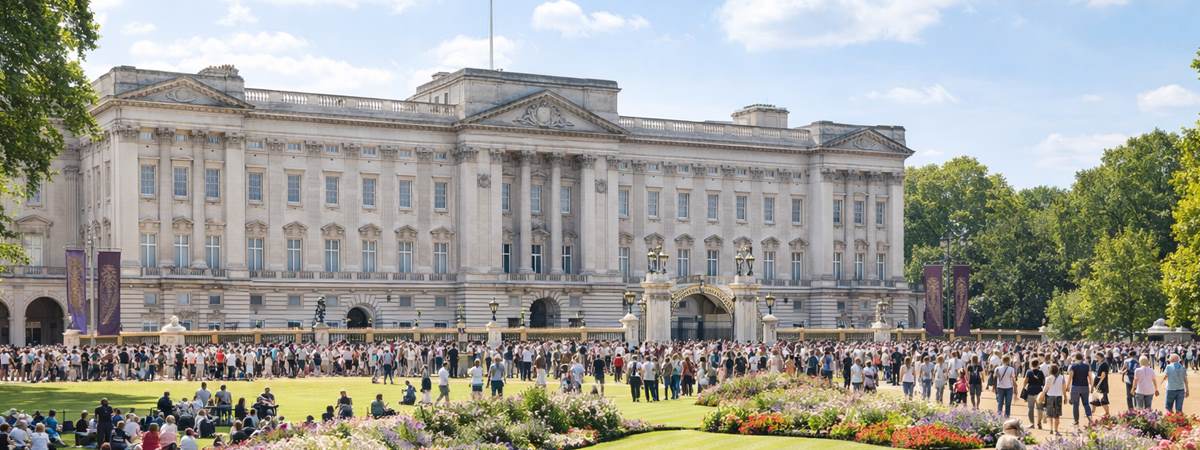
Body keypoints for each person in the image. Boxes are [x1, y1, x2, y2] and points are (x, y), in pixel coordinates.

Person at [1067, 353, 1093, 427]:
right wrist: (1092, 386)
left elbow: (1070, 377)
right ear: (1082, 358)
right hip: (1085, 387)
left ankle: (1076, 421)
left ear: (1076, 358)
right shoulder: (1087, 366)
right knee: (1086, 404)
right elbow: (1090, 377)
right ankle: (1090, 419)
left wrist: (1068, 386)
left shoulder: (1073, 366)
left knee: (1076, 405)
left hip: (1075, 387)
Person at [1043, 364, 1066, 436]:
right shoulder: (1062, 377)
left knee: (1050, 414)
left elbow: (1045, 388)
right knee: (1057, 415)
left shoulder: (1048, 378)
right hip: (1058, 396)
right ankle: (1056, 430)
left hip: (1050, 396)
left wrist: (1042, 395)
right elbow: (1064, 388)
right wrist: (1065, 396)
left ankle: (1051, 429)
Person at [1022, 359, 1045, 429]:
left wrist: (1024, 389)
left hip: (1030, 391)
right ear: (1038, 365)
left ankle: (1032, 423)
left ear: (1031, 364)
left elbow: (1025, 382)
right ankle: (1039, 423)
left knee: (1030, 408)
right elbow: (1043, 383)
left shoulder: (1028, 372)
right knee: (1040, 408)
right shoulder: (1041, 372)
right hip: (1039, 392)